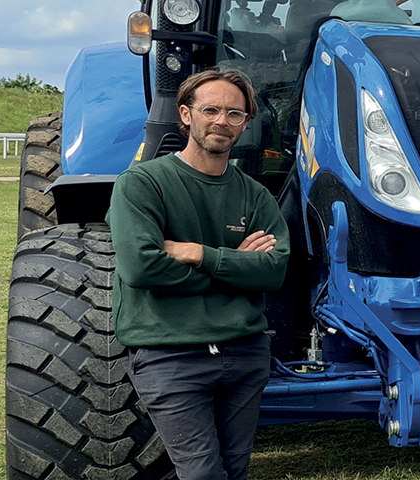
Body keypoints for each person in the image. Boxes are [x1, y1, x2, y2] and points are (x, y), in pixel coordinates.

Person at [108, 67, 291, 480]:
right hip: (171, 352)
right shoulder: (142, 184)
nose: (222, 122)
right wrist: (234, 266)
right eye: (211, 109)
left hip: (244, 354)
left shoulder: (255, 195)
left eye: (235, 114)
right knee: (202, 473)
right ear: (186, 114)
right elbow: (142, 267)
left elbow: (273, 271)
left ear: (246, 123)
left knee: (234, 470)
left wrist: (198, 254)